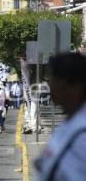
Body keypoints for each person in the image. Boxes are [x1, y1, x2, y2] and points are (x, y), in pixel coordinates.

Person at [36, 53, 86, 181]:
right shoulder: (69, 123)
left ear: (74, 85)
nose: (50, 85)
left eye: (53, 78)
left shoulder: (82, 135)